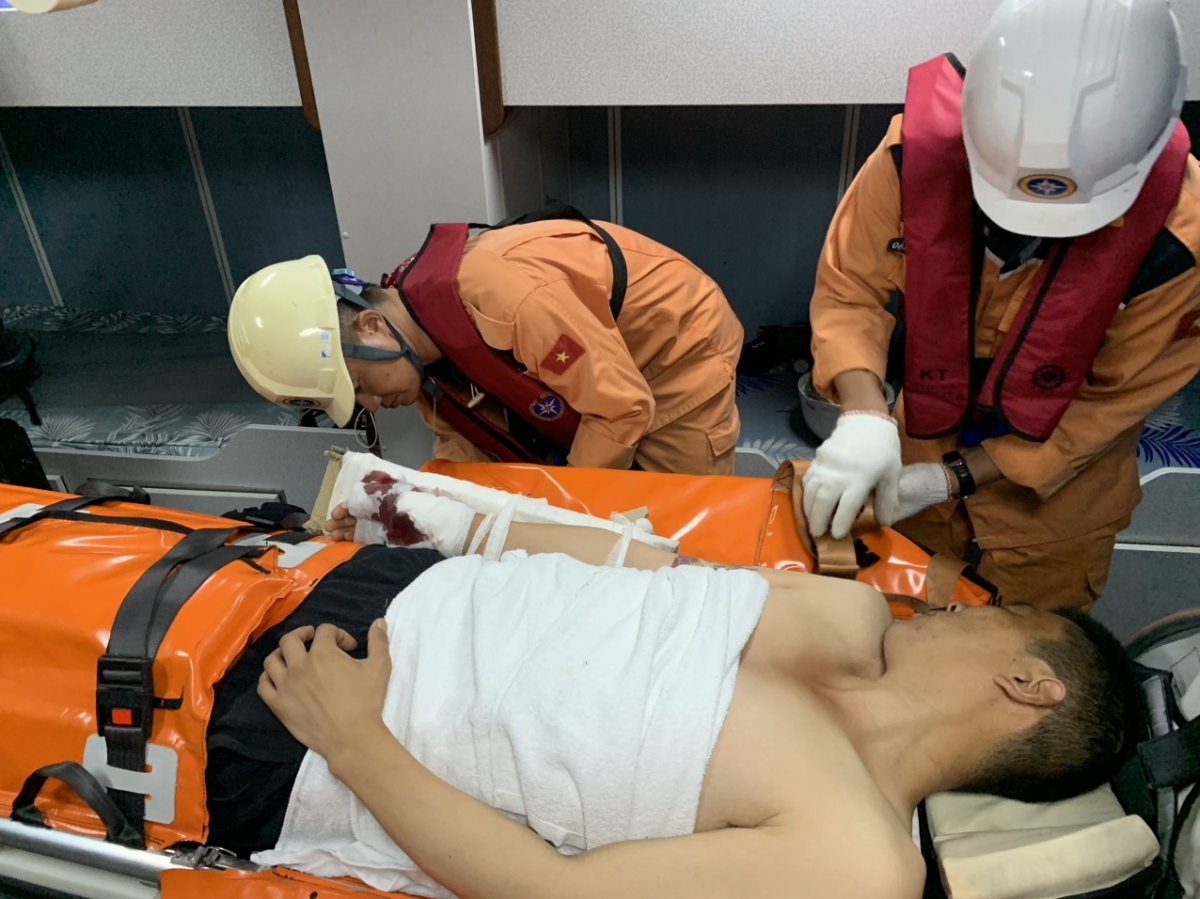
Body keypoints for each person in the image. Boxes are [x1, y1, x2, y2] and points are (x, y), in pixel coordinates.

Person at [205, 486, 1138, 899]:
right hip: (381, 585)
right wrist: (447, 523)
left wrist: (354, 736)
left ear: (1028, 683)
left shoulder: (859, 856)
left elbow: (551, 888)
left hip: (317, 740)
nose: (962, 605)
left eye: (1001, 612)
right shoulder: (847, 617)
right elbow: (651, 569)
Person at [803, 0, 1200, 611]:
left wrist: (951, 479)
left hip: (1051, 517)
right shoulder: (911, 157)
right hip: (912, 460)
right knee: (892, 649)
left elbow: (1105, 408)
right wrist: (862, 416)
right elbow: (851, 292)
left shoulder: (1183, 241)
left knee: (1020, 681)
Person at [227, 211, 743, 474]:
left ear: (371, 327)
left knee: (683, 520)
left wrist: (559, 514)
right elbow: (464, 442)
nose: (371, 406)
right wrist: (428, 506)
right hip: (601, 366)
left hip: (675, 350)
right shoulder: (424, 352)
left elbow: (621, 407)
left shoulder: (505, 299)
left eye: (358, 384)